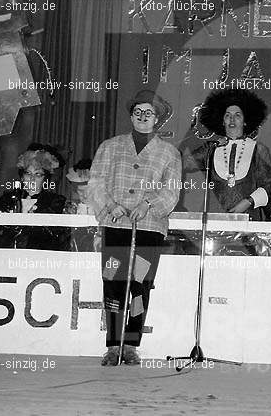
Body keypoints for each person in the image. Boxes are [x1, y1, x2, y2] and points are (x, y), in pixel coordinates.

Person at [88, 89, 181, 366]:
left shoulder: (169, 153)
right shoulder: (110, 146)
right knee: (113, 283)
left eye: (148, 113)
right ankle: (113, 344)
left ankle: (131, 343)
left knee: (140, 285)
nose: (142, 117)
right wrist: (109, 206)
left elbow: (171, 191)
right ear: (131, 115)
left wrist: (149, 205)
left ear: (157, 119)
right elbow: (96, 182)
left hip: (149, 229)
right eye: (138, 112)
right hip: (115, 225)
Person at [189, 88, 271, 220]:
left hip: (248, 219)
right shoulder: (211, 148)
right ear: (222, 121)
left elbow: (268, 186)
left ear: (245, 121)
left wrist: (247, 202)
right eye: (227, 115)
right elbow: (183, 163)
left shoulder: (258, 149)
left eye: (237, 115)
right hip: (215, 220)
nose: (232, 119)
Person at [0, 145, 68, 250]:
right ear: (22, 177)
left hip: (39, 257)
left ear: (45, 179)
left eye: (38, 174)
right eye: (28, 173)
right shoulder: (8, 198)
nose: (32, 178)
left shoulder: (55, 201)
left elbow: (53, 235)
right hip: (8, 254)